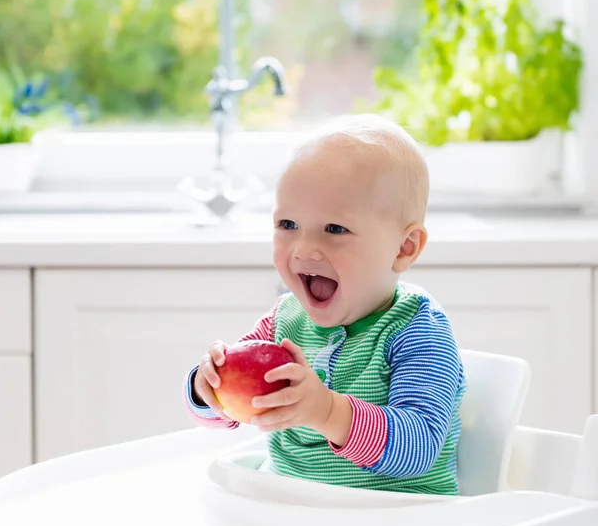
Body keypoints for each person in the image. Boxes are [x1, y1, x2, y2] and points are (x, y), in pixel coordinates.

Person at [183, 113, 466, 495]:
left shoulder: (416, 331)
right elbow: (233, 410)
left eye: (335, 229)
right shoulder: (283, 323)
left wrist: (327, 412)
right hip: (294, 513)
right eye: (287, 225)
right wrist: (208, 389)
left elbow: (418, 447)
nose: (303, 249)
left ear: (404, 248)